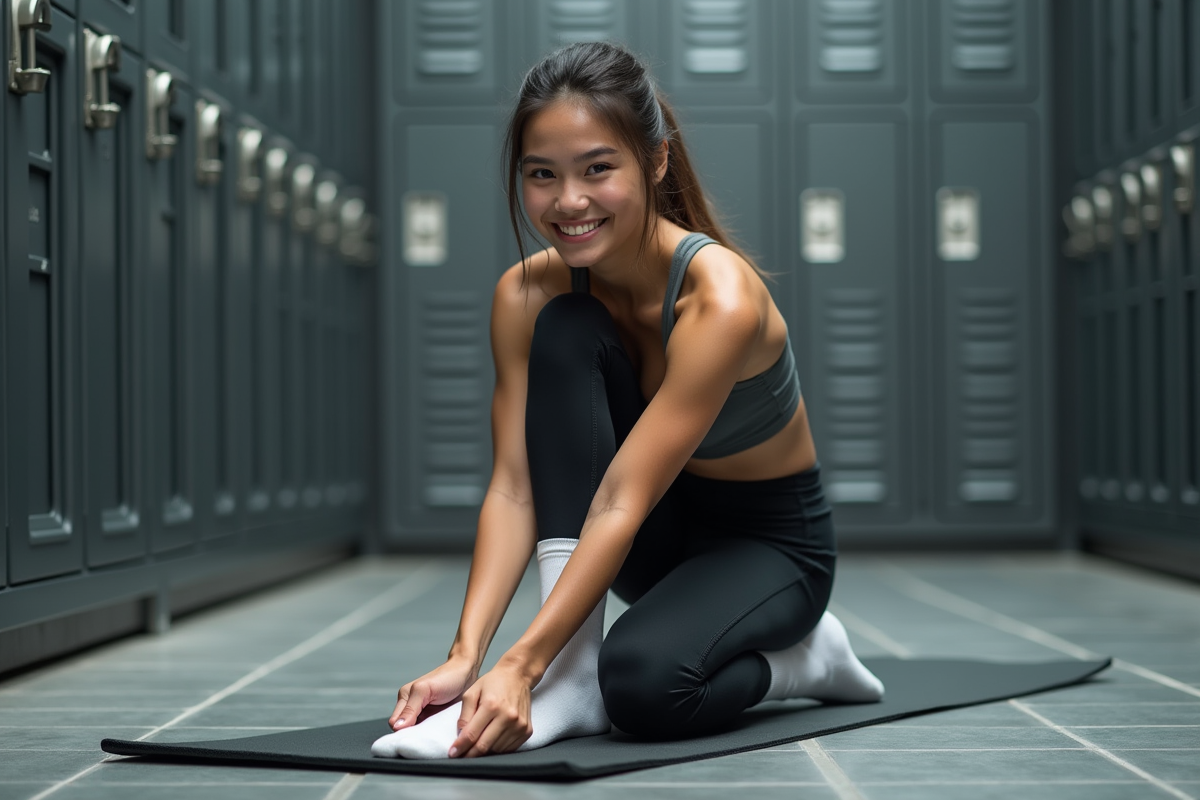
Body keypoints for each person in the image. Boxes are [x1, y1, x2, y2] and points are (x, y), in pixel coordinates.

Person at [371, 40, 883, 761]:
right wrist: (467, 654)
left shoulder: (721, 297)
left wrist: (521, 663)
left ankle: (807, 659)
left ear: (657, 160)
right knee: (566, 327)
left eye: (598, 169)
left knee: (646, 688)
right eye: (541, 175)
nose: (568, 201)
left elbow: (620, 497)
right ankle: (575, 679)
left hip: (769, 547)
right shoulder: (526, 294)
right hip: (654, 540)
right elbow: (516, 487)